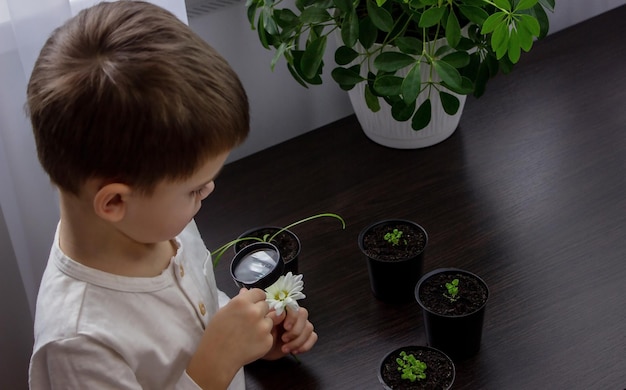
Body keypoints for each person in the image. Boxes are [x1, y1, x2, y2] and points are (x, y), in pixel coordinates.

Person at [26, 1, 317, 389]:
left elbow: (194, 313)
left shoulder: (155, 224)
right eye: (195, 188)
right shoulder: (78, 345)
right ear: (114, 202)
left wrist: (252, 338)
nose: (208, 191)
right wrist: (218, 361)